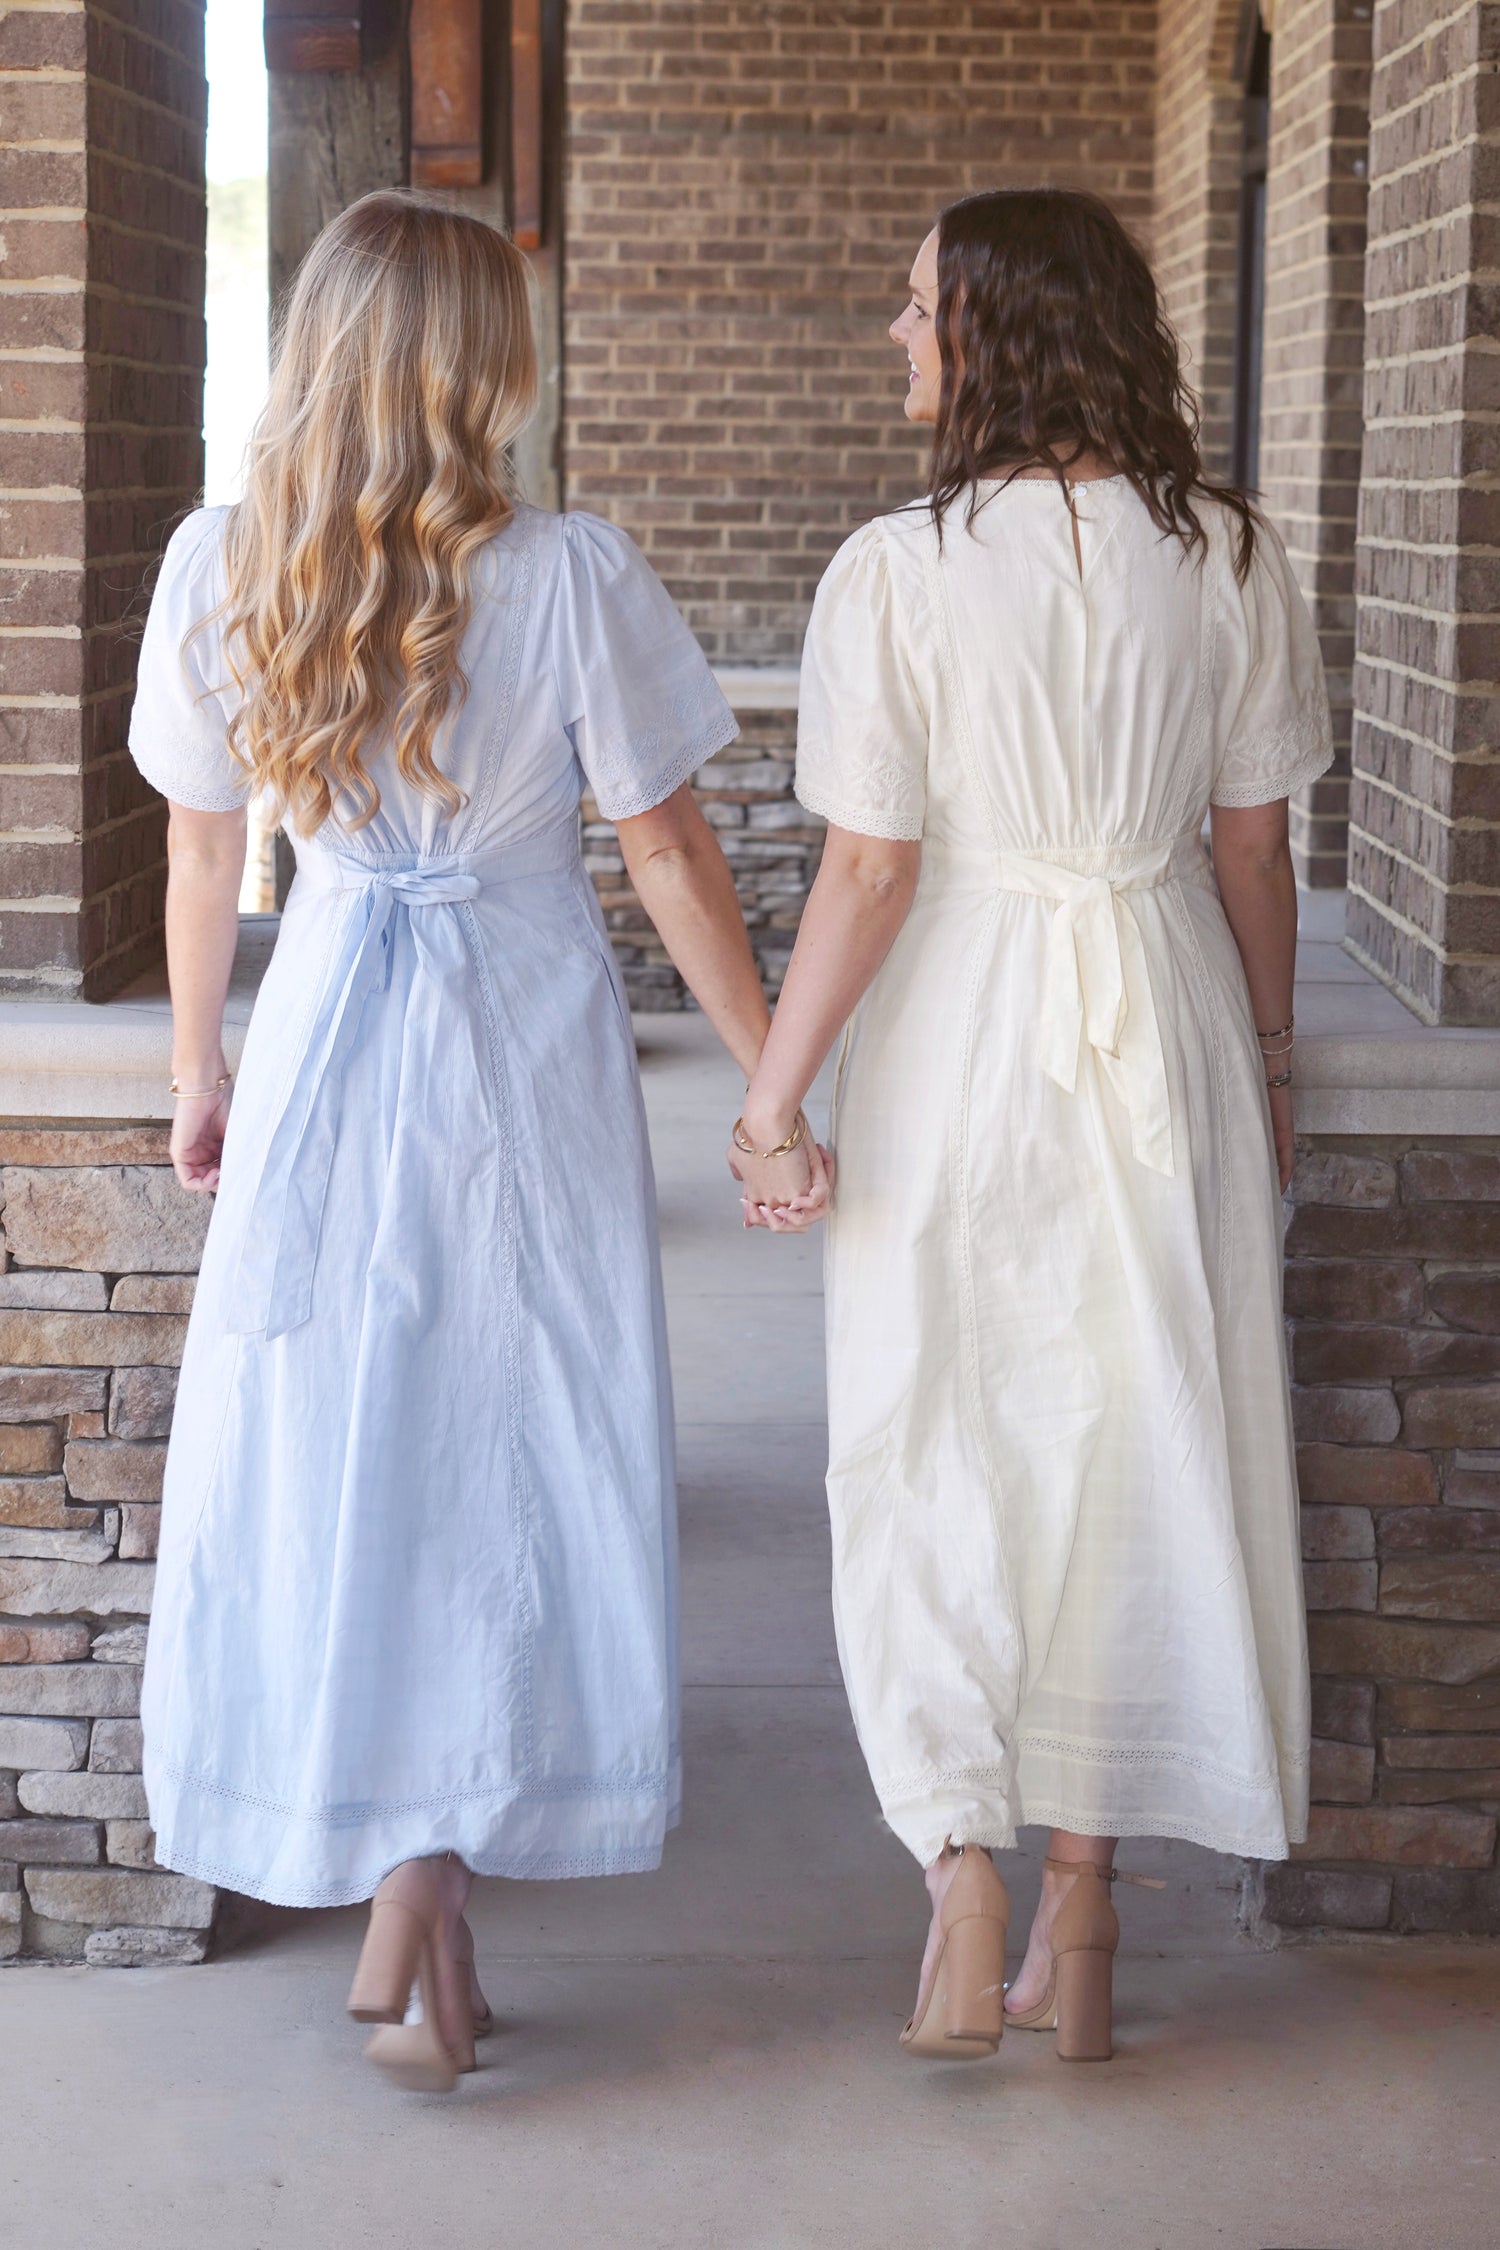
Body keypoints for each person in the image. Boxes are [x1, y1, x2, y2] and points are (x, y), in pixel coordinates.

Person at [129, 192, 784, 2092]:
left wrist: (198, 1067)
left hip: (329, 1021)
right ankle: (428, 1879)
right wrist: (766, 1075)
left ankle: (416, 1890)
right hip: (515, 1039)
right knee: (508, 1425)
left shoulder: (223, 562)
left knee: (349, 1436)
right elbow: (663, 850)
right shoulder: (566, 571)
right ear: (482, 362)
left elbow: (196, 843)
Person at [730, 189, 1327, 2062]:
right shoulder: (1228, 553)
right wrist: (1273, 1052)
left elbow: (873, 870)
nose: (893, 340)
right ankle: (1082, 1908)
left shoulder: (897, 571)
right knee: (1136, 1435)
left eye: (914, 310)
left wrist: (772, 1099)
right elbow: (1253, 850)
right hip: (1160, 1006)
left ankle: (960, 1859)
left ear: (991, 328)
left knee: (938, 1425)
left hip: (967, 1026)